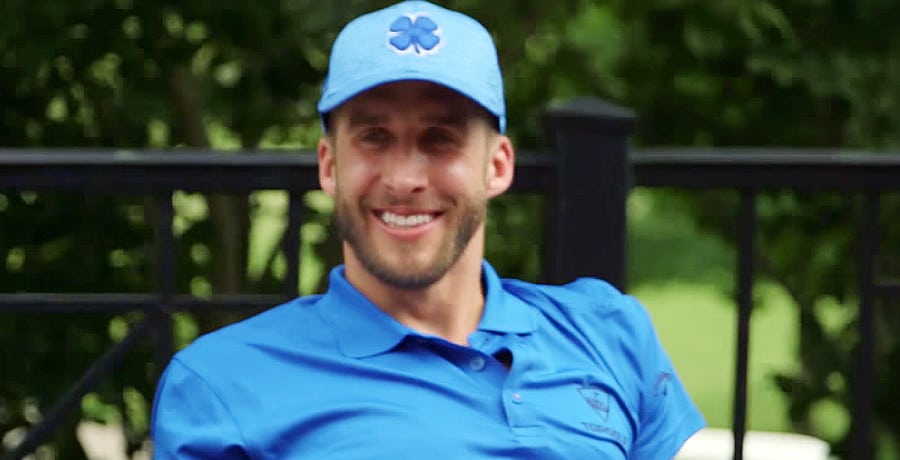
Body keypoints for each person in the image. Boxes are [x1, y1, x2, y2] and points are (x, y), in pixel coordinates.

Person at [150, 1, 705, 458]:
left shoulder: (608, 331)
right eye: (373, 137)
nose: (405, 177)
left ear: (498, 165)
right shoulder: (223, 385)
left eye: (440, 138)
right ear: (328, 165)